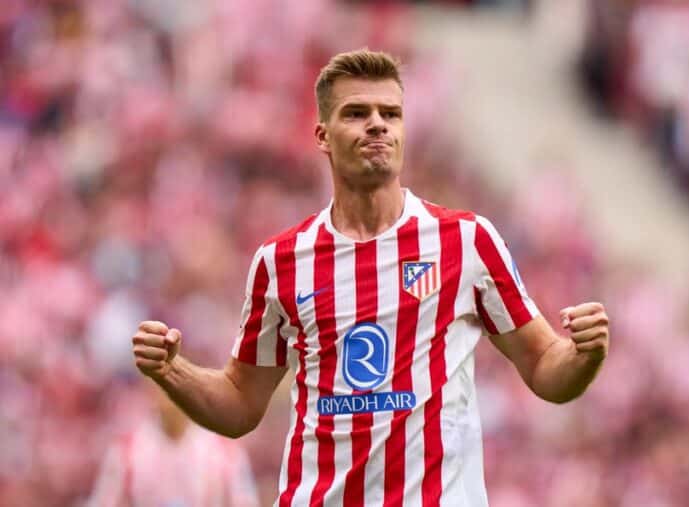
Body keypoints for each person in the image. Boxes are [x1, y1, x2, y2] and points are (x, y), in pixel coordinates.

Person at [131, 49, 610, 506]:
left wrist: (583, 355)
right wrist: (171, 371)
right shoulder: (282, 260)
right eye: (357, 112)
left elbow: (545, 368)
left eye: (391, 113)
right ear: (322, 135)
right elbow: (239, 403)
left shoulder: (466, 241)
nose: (378, 123)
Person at [87, 380, 261, 507]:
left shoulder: (225, 451)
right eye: (164, 387)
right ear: (152, 392)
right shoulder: (126, 451)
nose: (172, 398)